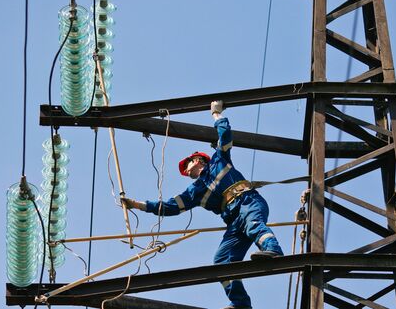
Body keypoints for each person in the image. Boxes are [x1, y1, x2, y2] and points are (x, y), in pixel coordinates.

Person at [121, 100, 283, 309]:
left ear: (199, 160)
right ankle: (241, 304)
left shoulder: (219, 161)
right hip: (234, 220)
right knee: (222, 260)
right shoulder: (195, 192)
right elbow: (170, 207)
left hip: (247, 202)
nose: (185, 168)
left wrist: (216, 114)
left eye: (187, 163)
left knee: (254, 226)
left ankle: (273, 251)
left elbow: (225, 135)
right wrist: (138, 205)